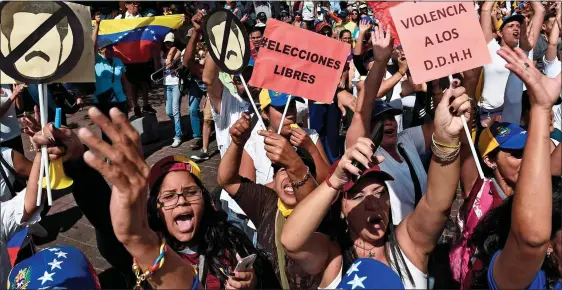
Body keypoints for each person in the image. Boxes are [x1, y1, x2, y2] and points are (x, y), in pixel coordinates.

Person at [281, 58, 472, 289]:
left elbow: (437, 203)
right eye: (359, 197)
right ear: (341, 209)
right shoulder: (333, 260)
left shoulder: (409, 244)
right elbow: (291, 241)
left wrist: (447, 140)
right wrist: (334, 181)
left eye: (380, 192)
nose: (373, 203)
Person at [77, 107, 278, 289]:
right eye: (169, 196)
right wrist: (76, 163)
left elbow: (266, 278)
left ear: (206, 200)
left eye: (191, 192)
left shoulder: (231, 238)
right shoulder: (143, 251)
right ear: (156, 206)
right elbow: (106, 222)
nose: (181, 201)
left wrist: (253, 283)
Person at [467, 46, 562, 290]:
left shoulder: (544, 195)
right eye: (516, 154)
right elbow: (530, 238)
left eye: (528, 152)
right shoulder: (476, 185)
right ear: (489, 160)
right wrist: (540, 108)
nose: (526, 161)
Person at [346, 26, 442, 224]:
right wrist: (382, 62)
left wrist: (436, 88)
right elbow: (363, 109)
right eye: (380, 118)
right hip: (391, 234)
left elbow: (440, 128)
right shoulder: (366, 153)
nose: (388, 121)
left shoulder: (405, 139)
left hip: (421, 230)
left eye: (391, 116)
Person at [217, 112, 322, 289]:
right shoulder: (266, 202)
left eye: (297, 170)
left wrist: (295, 164)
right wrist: (236, 144)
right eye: (282, 170)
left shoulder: (323, 213)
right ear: (273, 178)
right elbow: (227, 181)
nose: (289, 177)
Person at [240, 90, 329, 185]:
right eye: (282, 108)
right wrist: (280, 185)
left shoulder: (310, 137)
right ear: (265, 114)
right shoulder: (253, 145)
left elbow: (328, 183)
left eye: (291, 106)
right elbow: (245, 193)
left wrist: (311, 149)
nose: (290, 114)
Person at [478, 1, 544, 127]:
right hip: (490, 116)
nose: (516, 28)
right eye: (511, 26)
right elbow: (486, 10)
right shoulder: (491, 48)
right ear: (500, 33)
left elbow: (540, 11)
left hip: (518, 115)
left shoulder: (525, 50)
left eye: (518, 26)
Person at [115, 1, 157, 117]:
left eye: (137, 3)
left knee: (144, 82)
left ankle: (146, 104)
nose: (136, 5)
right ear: (126, 5)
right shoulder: (120, 18)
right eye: (133, 3)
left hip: (141, 56)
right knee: (131, 83)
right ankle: (135, 106)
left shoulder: (143, 17)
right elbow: (113, 32)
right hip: (127, 57)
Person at [92, 15, 129, 144]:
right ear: (101, 50)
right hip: (103, 101)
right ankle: (111, 157)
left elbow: (125, 81)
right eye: (108, 48)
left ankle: (126, 155)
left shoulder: (118, 61)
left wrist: (129, 99)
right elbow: (92, 45)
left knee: (123, 129)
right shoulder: (97, 61)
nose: (111, 49)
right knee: (107, 131)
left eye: (111, 47)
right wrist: (97, 25)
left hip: (120, 99)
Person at [159, 32, 183, 148]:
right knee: (168, 112)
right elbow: (160, 67)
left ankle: (178, 135)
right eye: (166, 42)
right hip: (166, 83)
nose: (168, 44)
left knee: (175, 110)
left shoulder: (177, 52)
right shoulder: (162, 53)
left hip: (175, 83)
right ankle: (179, 129)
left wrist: (172, 51)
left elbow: (168, 65)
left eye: (170, 42)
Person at [0, 84, 25, 154]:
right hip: (3, 140)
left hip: (15, 134)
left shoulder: (6, 84)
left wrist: (19, 94)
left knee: (22, 163)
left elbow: (20, 107)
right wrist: (14, 94)